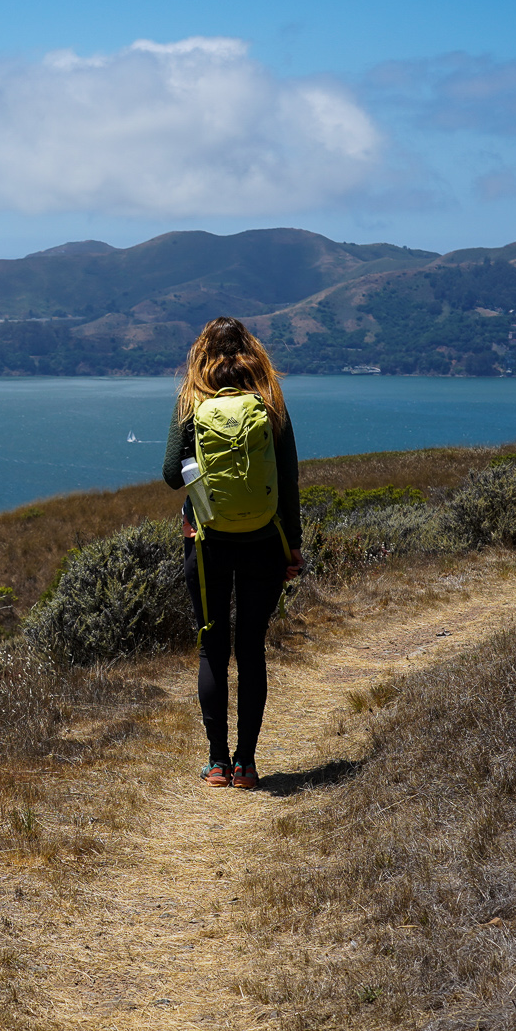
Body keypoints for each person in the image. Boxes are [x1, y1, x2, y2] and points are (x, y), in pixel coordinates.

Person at [161, 317, 305, 791]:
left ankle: (217, 764)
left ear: (202, 351)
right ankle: (247, 765)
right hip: (264, 539)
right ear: (252, 349)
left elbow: (169, 472)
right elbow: (287, 479)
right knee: (251, 650)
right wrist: (293, 545)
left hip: (206, 542)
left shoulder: (192, 400)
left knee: (213, 647)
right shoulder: (269, 399)